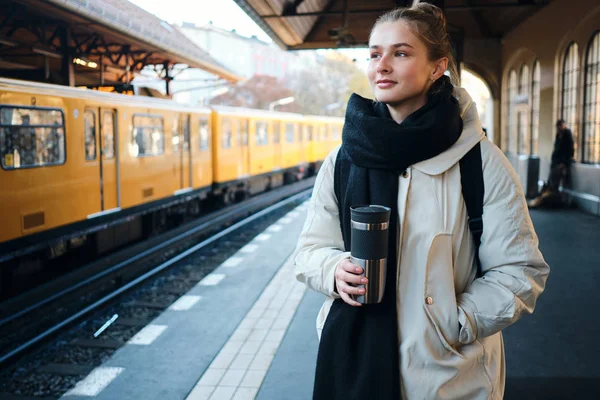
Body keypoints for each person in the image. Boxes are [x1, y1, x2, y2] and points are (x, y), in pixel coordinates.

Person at [293, 4, 549, 400]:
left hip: (449, 378)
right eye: (375, 53)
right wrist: (332, 270)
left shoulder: (478, 161)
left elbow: (521, 271)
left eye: (401, 53)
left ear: (437, 67)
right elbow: (309, 250)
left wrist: (452, 322)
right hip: (352, 364)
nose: (382, 65)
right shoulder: (344, 158)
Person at [528, 119, 574, 208]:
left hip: (561, 163)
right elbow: (557, 149)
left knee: (554, 183)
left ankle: (551, 201)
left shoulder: (567, 134)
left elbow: (569, 150)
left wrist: (564, 164)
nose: (559, 128)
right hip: (556, 163)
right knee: (552, 182)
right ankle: (547, 200)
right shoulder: (558, 135)